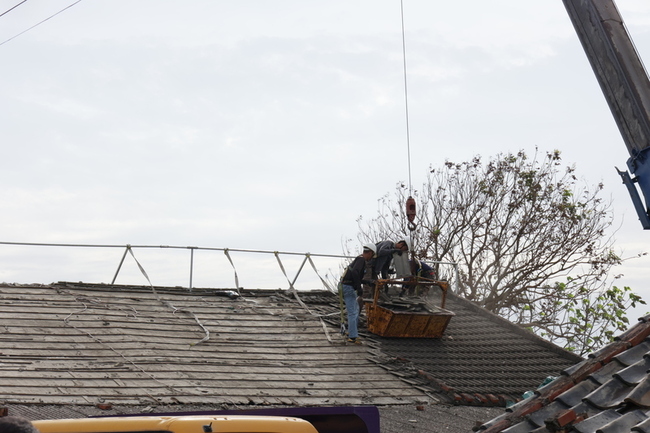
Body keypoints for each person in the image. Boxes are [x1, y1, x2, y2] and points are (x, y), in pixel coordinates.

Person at [340, 244, 376, 344]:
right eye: (372, 256)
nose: (371, 259)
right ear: (369, 253)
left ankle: (351, 332)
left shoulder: (359, 260)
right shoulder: (361, 260)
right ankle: (353, 337)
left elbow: (355, 276)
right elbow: (355, 273)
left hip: (348, 286)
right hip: (348, 287)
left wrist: (366, 282)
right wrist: (359, 288)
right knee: (353, 312)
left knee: (355, 310)